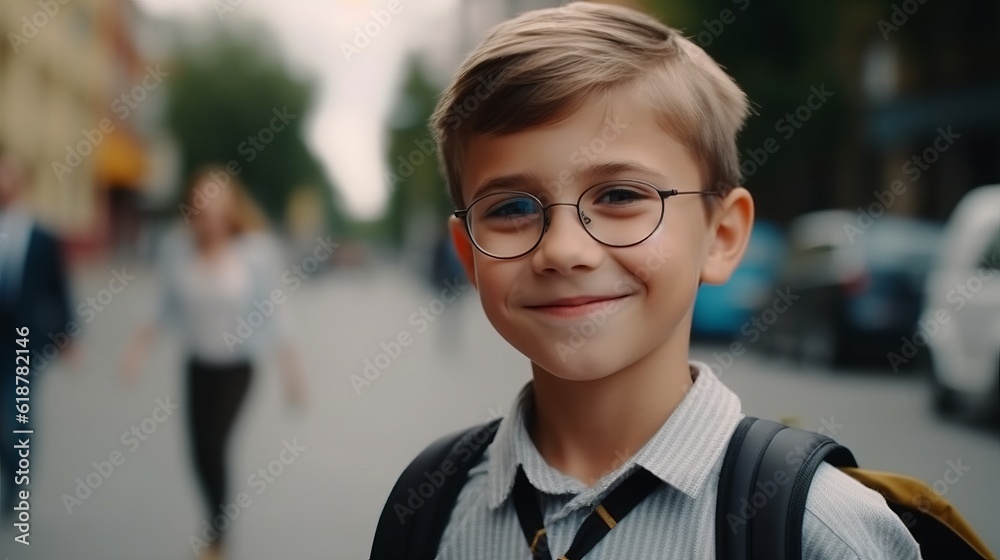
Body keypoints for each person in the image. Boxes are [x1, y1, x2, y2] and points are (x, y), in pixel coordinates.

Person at [374, 3, 921, 558]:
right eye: (513, 206)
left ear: (722, 236)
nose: (563, 250)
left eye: (620, 196)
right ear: (469, 256)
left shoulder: (818, 532)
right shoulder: (429, 509)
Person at [119, 166, 306, 560]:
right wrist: (137, 348)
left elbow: (277, 312)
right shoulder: (176, 248)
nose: (208, 208)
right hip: (197, 363)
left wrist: (293, 374)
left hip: (238, 367)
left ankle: (217, 539)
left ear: (230, 206)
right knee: (196, 453)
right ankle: (214, 523)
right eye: (201, 199)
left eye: (216, 199)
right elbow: (162, 305)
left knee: (215, 445)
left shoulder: (254, 253)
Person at [0, 153, 73, 521]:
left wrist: (68, 336)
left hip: (24, 339)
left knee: (17, 417)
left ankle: (16, 484)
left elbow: (58, 290)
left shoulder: (41, 236)